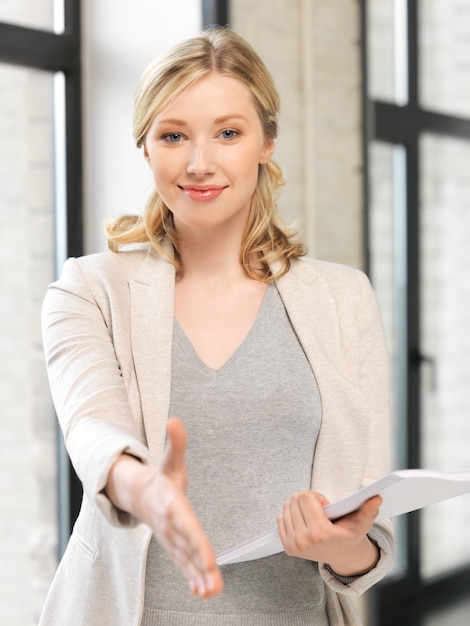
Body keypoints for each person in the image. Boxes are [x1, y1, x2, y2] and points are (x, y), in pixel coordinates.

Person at [39, 26, 394, 626]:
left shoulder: (344, 299)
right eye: (173, 135)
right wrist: (145, 490)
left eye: (228, 133)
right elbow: (92, 432)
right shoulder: (88, 290)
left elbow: (369, 534)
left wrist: (340, 545)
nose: (200, 162)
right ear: (145, 148)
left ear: (266, 143)